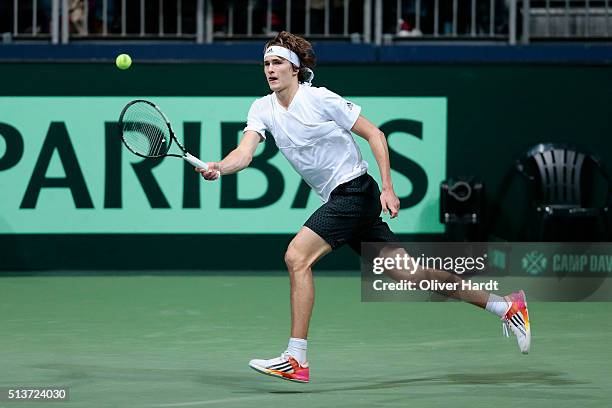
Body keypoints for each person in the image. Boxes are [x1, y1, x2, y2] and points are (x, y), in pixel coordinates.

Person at [196, 31, 531, 384]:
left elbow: (375, 134)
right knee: (410, 274)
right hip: (342, 198)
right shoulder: (261, 108)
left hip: (354, 191)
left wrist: (388, 187)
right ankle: (505, 306)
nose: (270, 69)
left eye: (277, 62)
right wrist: (220, 166)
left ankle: (296, 358)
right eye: (266, 63)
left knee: (297, 257)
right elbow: (244, 154)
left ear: (295, 68)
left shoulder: (320, 99)